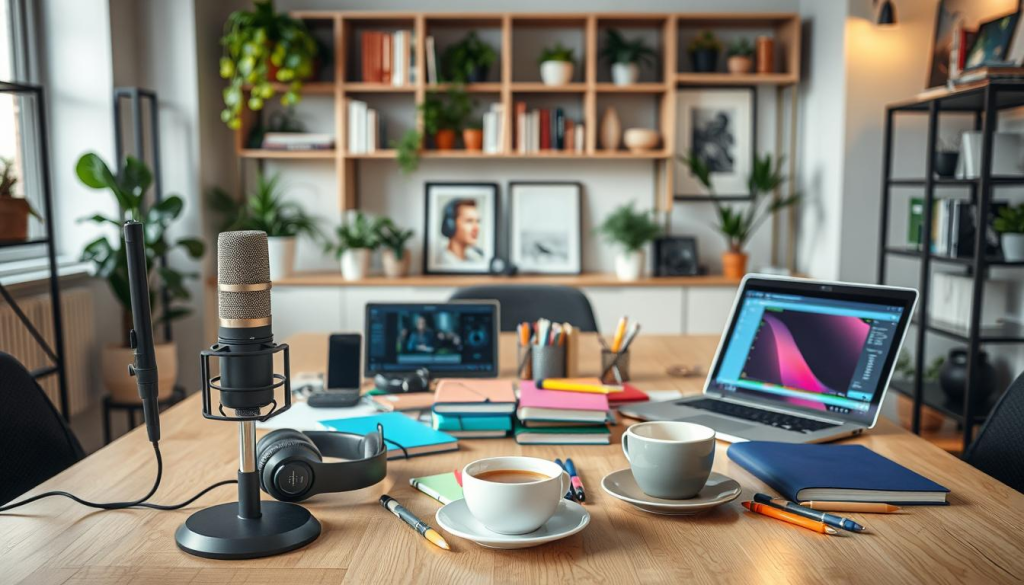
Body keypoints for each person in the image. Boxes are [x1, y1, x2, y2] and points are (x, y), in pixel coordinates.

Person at [441, 198, 484, 264]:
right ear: (451, 225)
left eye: (477, 221)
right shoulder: (441, 261)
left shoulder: (475, 259)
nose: (476, 228)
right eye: (469, 221)